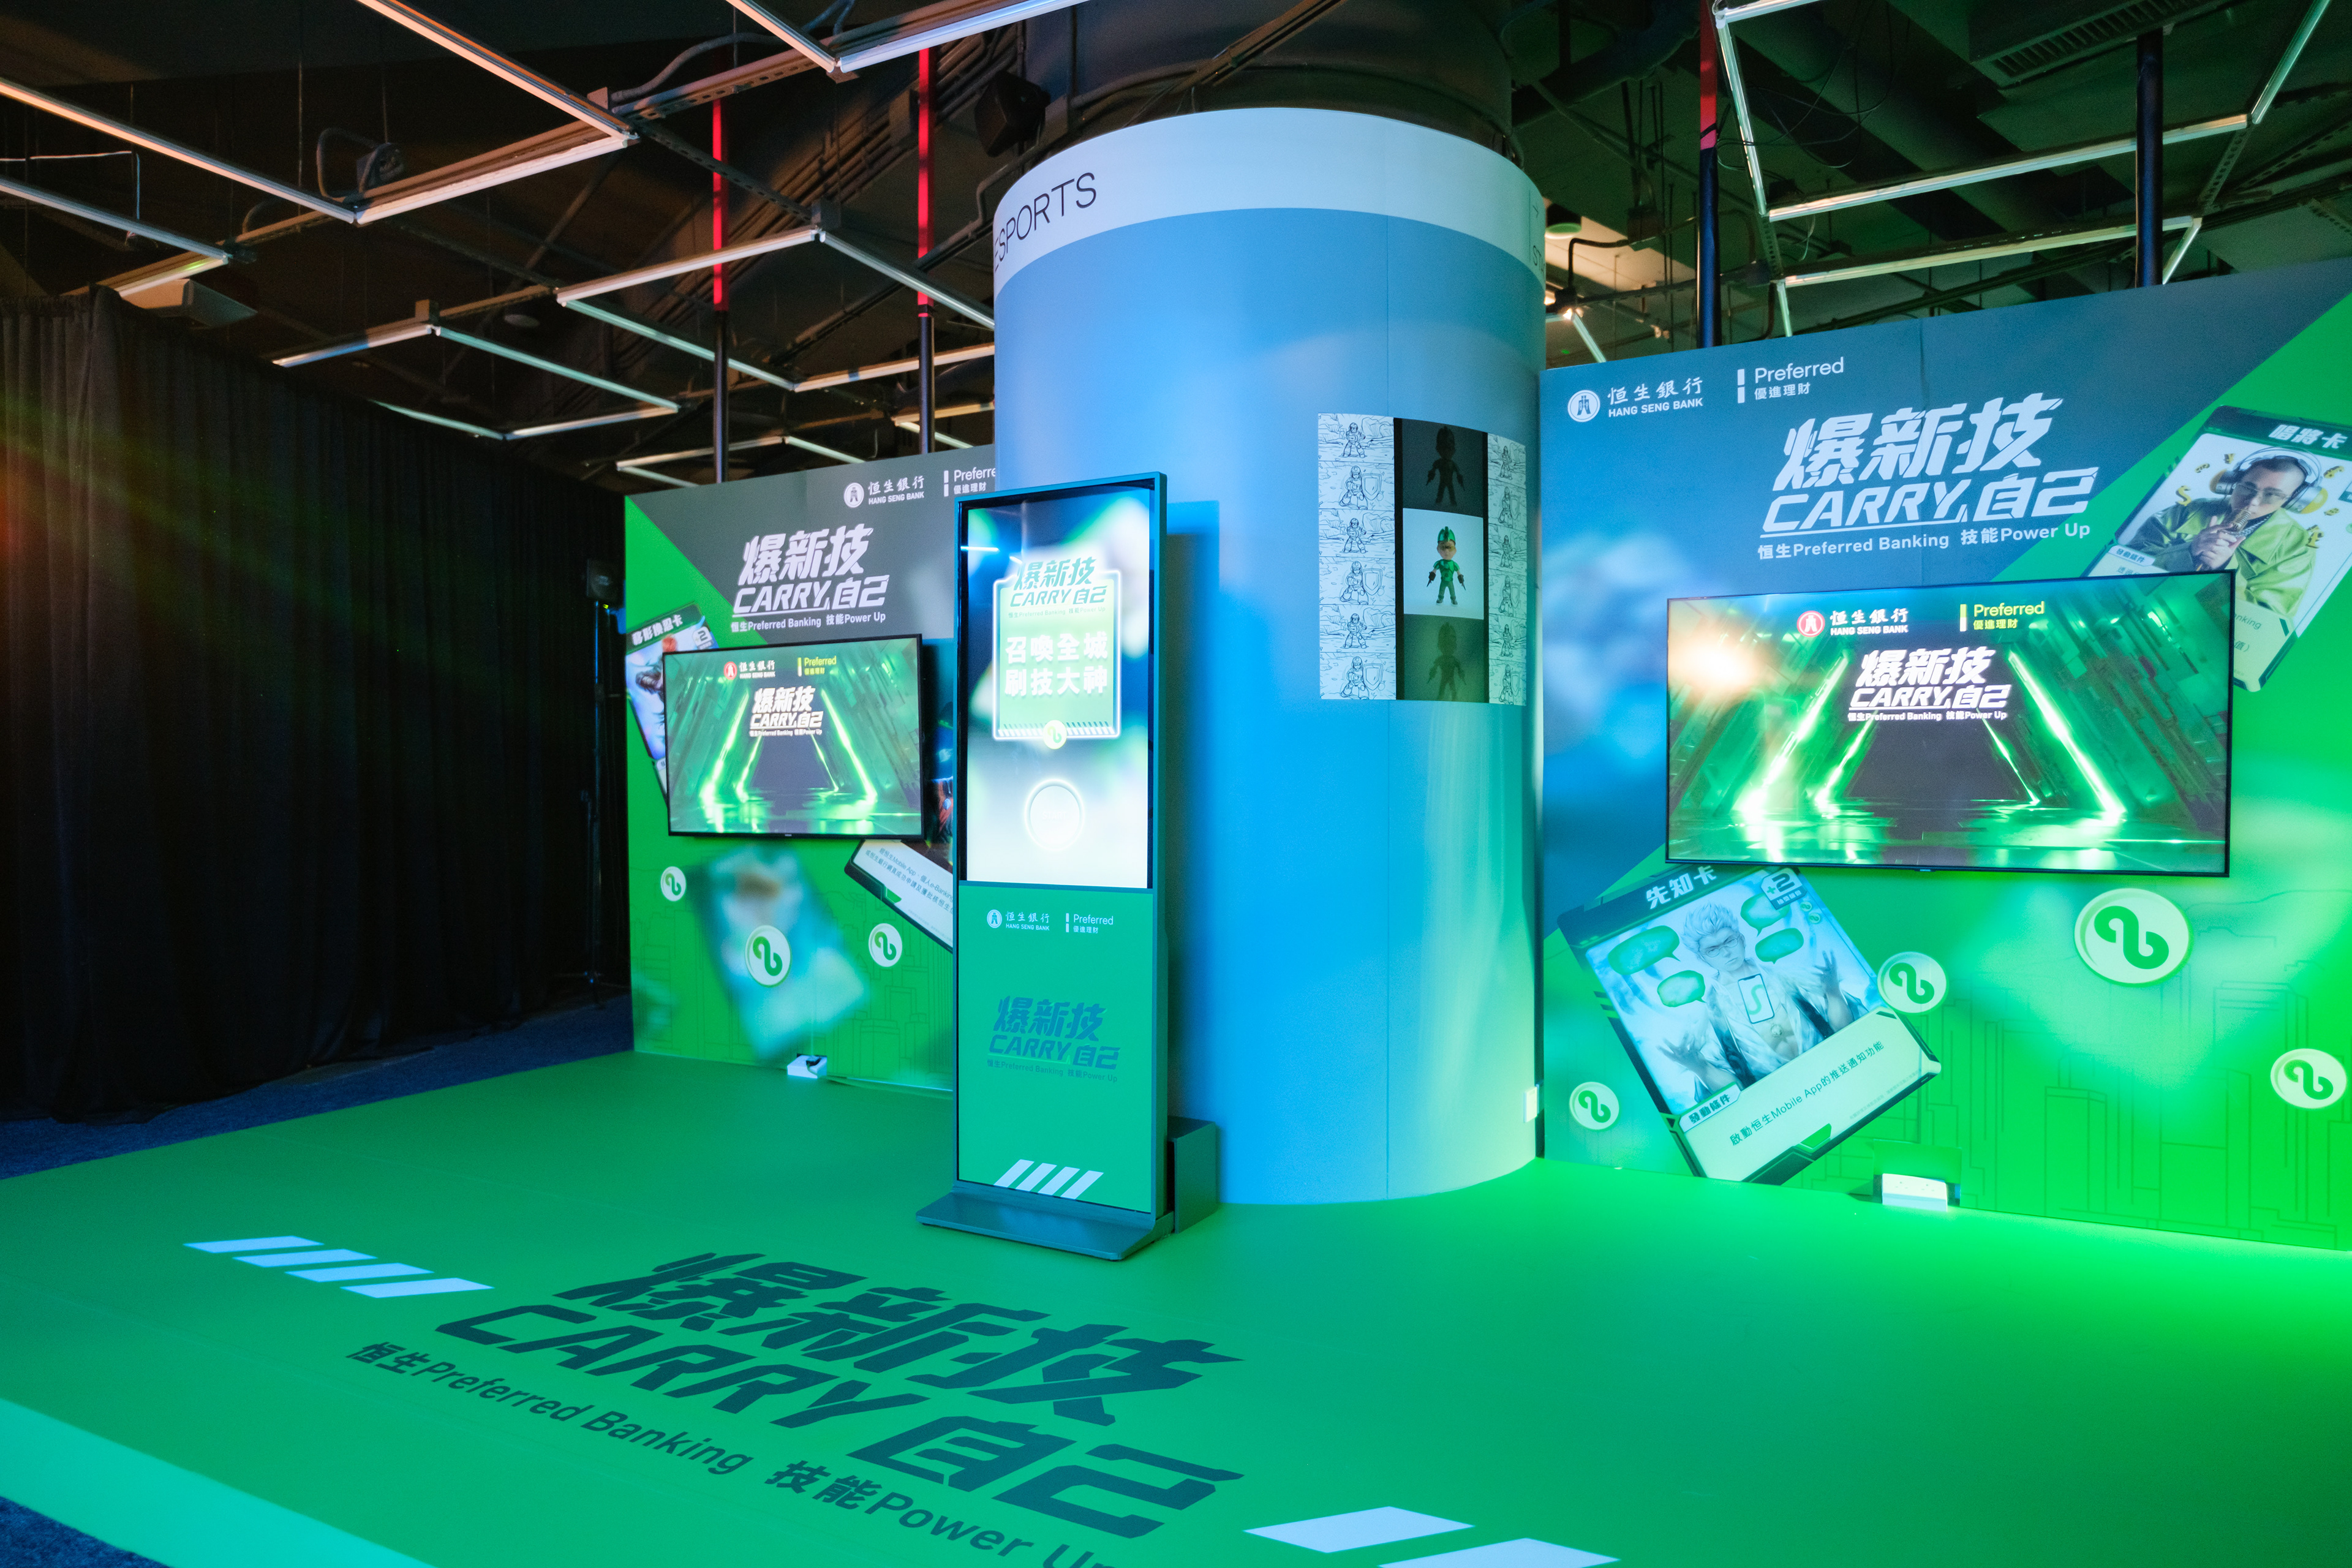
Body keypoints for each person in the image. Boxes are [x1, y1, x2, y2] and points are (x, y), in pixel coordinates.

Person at [1656, 902, 1858, 1093]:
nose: (1726, 953)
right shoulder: (1708, 1017)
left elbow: (1843, 1029)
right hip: (1780, 1099)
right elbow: (1736, 1090)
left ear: (1741, 939)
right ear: (1702, 958)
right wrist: (1700, 1068)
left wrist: (1834, 992)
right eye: (1713, 950)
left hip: (1837, 1071)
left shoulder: (1792, 977)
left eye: (1729, 941)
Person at [2122, 451, 2319, 617]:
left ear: (2293, 500)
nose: (2252, 502)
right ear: (2232, 482)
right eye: (2248, 488)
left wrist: (2226, 569)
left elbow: (2267, 619)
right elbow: (2128, 559)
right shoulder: (2189, 511)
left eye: (2272, 495)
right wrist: (2188, 552)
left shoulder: (2297, 547)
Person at [1428, 526, 1469, 606]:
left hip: (1450, 581)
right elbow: (1434, 571)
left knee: (1452, 591)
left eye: (1450, 548)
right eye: (1443, 547)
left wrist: (1462, 580)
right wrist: (1431, 578)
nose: (1446, 552)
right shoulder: (1440, 563)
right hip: (1443, 581)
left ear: (1455, 550)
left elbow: (1459, 573)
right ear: (1438, 549)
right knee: (1441, 591)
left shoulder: (1454, 564)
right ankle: (1440, 598)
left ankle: (1453, 599)